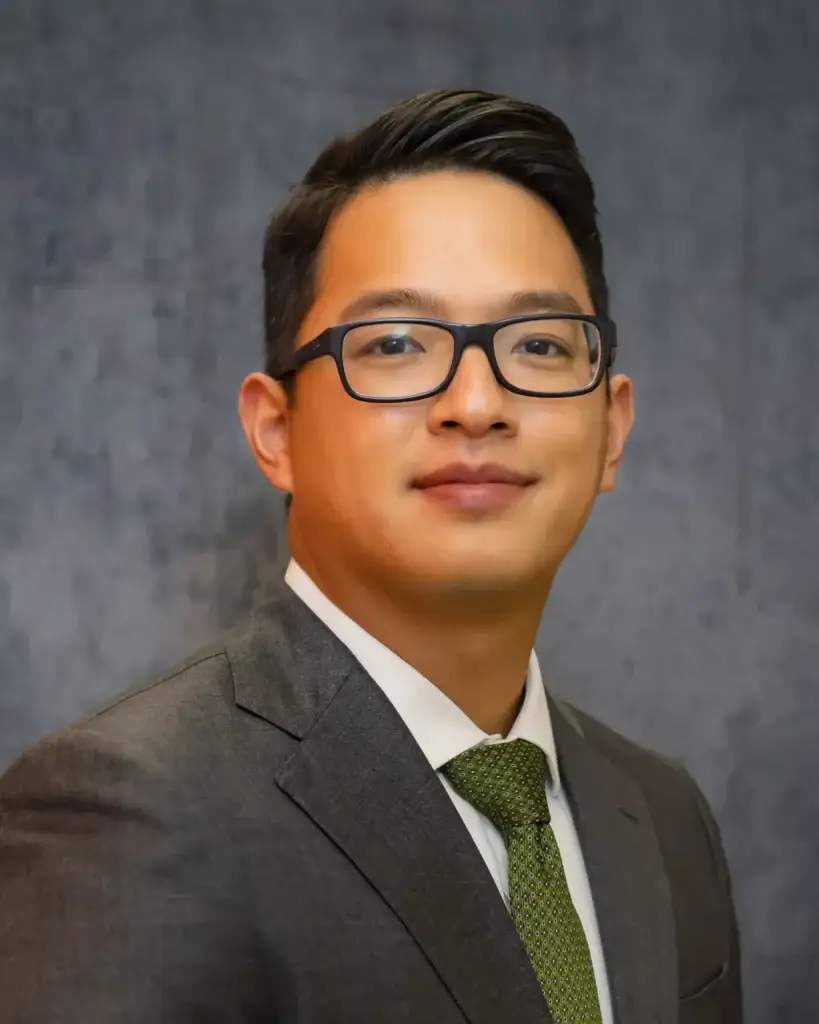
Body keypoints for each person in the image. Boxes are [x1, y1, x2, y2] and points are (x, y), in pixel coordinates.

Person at [0, 88, 742, 1023]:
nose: (476, 405)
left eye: (539, 344)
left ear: (611, 431)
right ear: (275, 431)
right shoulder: (129, 811)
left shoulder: (664, 815)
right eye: (394, 343)